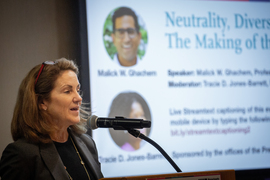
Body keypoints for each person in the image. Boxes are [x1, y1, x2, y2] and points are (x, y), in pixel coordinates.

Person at [0, 58, 103, 180]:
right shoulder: (21, 154)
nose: (78, 98)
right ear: (42, 102)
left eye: (77, 90)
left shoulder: (88, 144)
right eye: (67, 91)